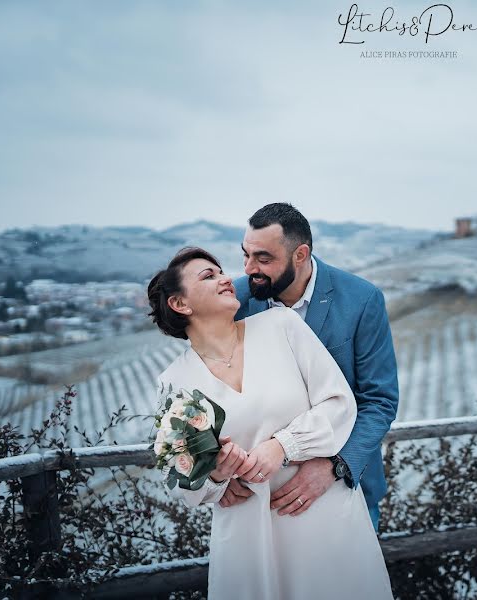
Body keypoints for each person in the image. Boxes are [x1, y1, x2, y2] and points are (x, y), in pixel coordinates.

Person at [148, 247, 393, 599]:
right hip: (249, 536)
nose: (225, 279)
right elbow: (182, 478)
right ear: (180, 304)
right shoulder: (174, 383)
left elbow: (339, 403)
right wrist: (216, 475)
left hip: (321, 514)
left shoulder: (283, 326)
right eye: (208, 276)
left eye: (221, 271)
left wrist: (282, 446)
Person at [222, 203, 399, 531]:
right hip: (259, 493)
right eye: (245, 255)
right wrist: (216, 472)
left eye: (263, 258)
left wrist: (335, 466)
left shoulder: (362, 300)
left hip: (344, 486)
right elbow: (211, 390)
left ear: (300, 254)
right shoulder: (235, 301)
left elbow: (379, 401)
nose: (249, 268)